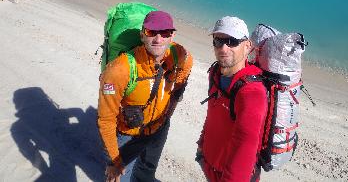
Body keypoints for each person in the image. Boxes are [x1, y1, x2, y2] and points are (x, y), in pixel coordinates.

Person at [98, 11, 193, 182]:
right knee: (121, 176)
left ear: (172, 36)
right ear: (142, 35)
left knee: (147, 170)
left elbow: (180, 83)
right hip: (128, 135)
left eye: (165, 33)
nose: (158, 39)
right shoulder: (119, 70)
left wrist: (168, 115)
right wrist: (115, 160)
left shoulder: (180, 56)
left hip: (159, 126)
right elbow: (106, 120)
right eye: (151, 32)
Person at [197, 16, 267, 182]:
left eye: (232, 41)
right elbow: (212, 115)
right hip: (210, 165)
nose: (224, 48)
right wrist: (202, 143)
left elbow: (245, 147)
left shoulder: (252, 93)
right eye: (218, 41)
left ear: (247, 46)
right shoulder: (215, 74)